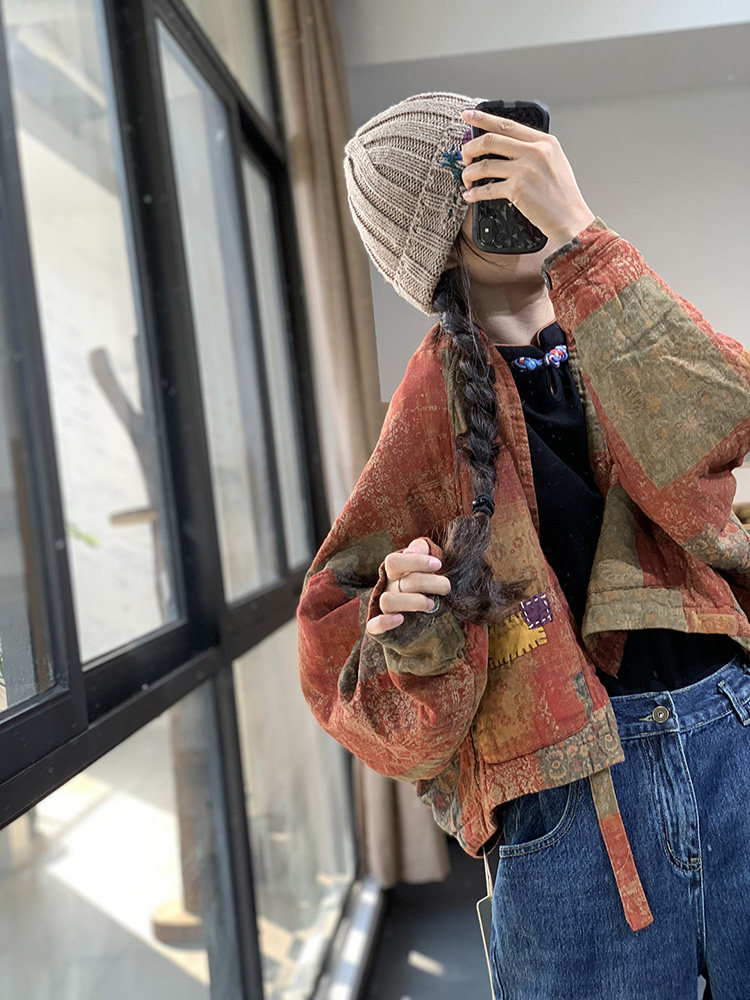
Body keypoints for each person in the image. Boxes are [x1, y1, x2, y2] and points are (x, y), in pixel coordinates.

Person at [296, 91, 750, 998]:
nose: (523, 192)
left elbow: (725, 417)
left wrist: (584, 236)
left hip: (731, 741)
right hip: (570, 803)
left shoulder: (619, 327)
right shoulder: (428, 416)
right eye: (488, 176)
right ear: (442, 235)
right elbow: (348, 667)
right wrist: (408, 620)